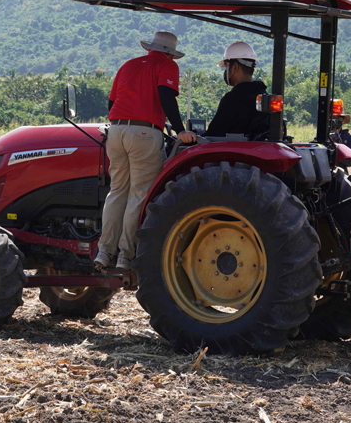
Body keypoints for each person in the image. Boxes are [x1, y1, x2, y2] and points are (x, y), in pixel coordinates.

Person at [96, 31, 196, 271]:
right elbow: (166, 97)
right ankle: (125, 256)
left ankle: (103, 253)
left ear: (151, 47)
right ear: (170, 53)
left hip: (116, 131)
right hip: (144, 133)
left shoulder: (128, 66)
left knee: (117, 191)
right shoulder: (167, 66)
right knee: (139, 194)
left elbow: (112, 104)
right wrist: (180, 130)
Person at [205, 41, 271, 140]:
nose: (226, 72)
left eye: (227, 67)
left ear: (235, 67)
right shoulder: (263, 97)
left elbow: (212, 136)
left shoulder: (231, 100)